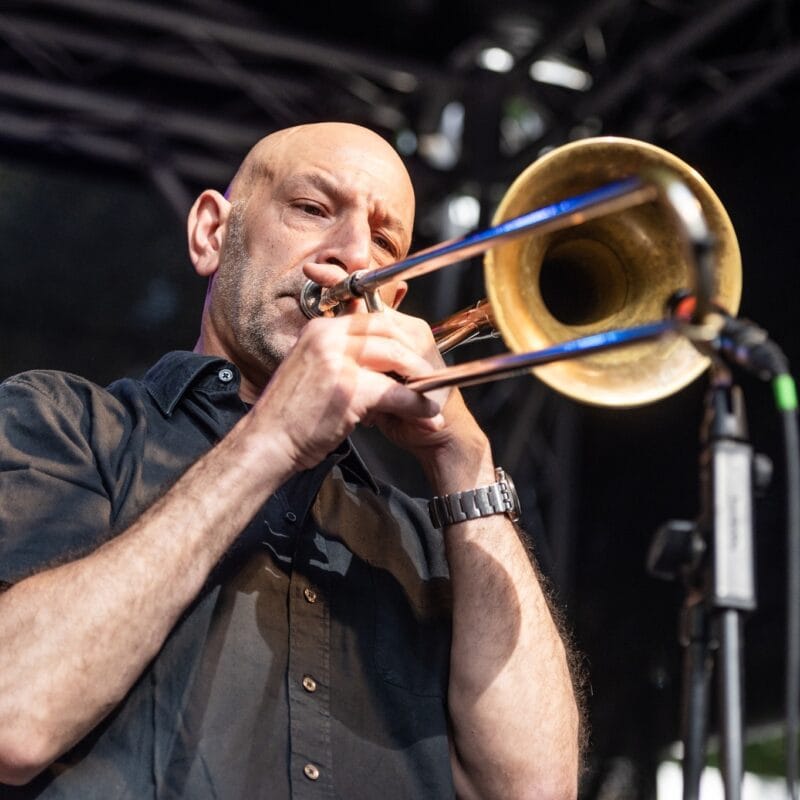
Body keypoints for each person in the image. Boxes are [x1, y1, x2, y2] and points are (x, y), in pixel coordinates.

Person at [0, 122, 581, 799]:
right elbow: (14, 712)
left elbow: (537, 790)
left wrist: (467, 461)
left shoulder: (435, 544)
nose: (353, 255)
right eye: (311, 209)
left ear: (392, 300)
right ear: (211, 234)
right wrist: (269, 440)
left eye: (386, 241)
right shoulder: (61, 421)